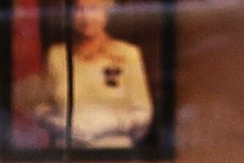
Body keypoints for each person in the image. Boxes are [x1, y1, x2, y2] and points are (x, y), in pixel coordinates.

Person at [34, 0, 154, 152]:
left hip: (114, 154)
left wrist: (111, 123)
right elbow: (40, 109)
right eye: (79, 10)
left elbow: (144, 113)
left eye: (93, 9)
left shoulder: (128, 54)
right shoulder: (56, 56)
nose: (86, 17)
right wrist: (63, 124)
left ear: (106, 13)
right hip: (66, 153)